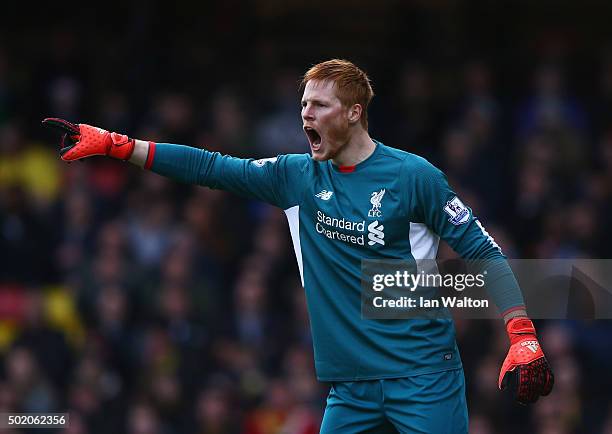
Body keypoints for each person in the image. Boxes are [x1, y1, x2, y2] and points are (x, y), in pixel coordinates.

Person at [43, 59, 553, 433]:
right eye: (302, 105)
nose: (305, 115)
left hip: (422, 377)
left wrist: (522, 333)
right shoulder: (296, 177)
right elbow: (210, 167)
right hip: (349, 388)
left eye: (319, 105)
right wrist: (118, 145)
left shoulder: (414, 177)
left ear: (354, 113)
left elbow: (484, 252)